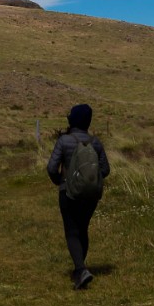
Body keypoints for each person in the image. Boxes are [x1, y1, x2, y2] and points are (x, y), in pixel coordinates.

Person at [45, 103, 109, 289]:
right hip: (90, 195)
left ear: (72, 120)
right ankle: (80, 269)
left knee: (72, 231)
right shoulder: (95, 142)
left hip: (68, 192)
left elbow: (51, 168)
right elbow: (105, 169)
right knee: (83, 229)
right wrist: (90, 180)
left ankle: (81, 270)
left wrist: (60, 181)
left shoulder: (64, 141)